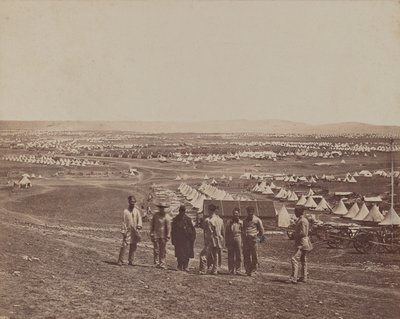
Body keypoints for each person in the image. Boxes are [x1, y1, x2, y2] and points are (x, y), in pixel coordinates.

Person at [199, 203, 225, 275]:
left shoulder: (209, 221)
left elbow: (209, 232)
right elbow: (222, 231)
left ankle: (203, 269)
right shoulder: (220, 220)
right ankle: (215, 270)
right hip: (218, 239)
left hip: (212, 240)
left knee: (203, 255)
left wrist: (207, 241)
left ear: (209, 210)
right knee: (215, 255)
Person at [117, 195, 142, 266]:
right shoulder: (125, 212)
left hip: (135, 231)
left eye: (134, 202)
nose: (132, 203)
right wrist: (123, 231)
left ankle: (131, 260)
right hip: (127, 231)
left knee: (133, 245)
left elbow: (139, 220)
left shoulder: (137, 211)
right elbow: (123, 222)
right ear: (128, 202)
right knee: (124, 245)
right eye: (131, 202)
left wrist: (139, 226)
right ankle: (120, 260)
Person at [290, 206, 313, 284]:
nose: (295, 214)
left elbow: (303, 233)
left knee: (294, 259)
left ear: (298, 212)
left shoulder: (302, 221)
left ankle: (294, 278)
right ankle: (304, 277)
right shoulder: (303, 220)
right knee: (303, 260)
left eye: (296, 212)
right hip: (305, 242)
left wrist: (295, 235)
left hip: (301, 242)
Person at [171, 205, 196, 271]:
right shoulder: (176, 219)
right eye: (181, 211)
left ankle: (185, 266)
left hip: (187, 239)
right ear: (179, 211)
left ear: (185, 211)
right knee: (179, 253)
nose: (182, 212)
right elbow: (173, 230)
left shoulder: (188, 219)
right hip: (179, 239)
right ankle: (179, 265)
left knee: (187, 253)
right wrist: (173, 239)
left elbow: (193, 229)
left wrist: (192, 238)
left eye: (183, 211)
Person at [242, 206, 264, 276]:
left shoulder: (257, 220)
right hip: (246, 240)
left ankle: (253, 270)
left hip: (253, 240)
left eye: (251, 212)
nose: (250, 213)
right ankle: (248, 270)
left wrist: (259, 239)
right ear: (247, 212)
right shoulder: (245, 220)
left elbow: (261, 230)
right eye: (249, 212)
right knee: (246, 255)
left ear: (253, 212)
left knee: (254, 255)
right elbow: (243, 229)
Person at [150, 202, 172, 269]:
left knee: (163, 250)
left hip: (163, 235)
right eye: (161, 208)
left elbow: (168, 227)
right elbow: (152, 225)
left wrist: (168, 234)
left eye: (163, 208)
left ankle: (162, 263)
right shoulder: (155, 215)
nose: (162, 209)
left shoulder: (167, 217)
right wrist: (151, 232)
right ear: (159, 208)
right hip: (156, 234)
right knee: (156, 249)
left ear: (165, 209)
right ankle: (156, 263)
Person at [225, 208, 243, 275]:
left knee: (239, 255)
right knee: (230, 255)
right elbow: (226, 232)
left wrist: (242, 242)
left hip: (238, 237)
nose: (235, 214)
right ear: (232, 214)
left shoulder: (241, 222)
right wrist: (226, 241)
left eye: (237, 213)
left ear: (239, 214)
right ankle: (231, 270)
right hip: (230, 238)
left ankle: (238, 270)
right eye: (234, 213)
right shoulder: (229, 222)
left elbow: (243, 232)